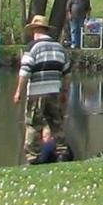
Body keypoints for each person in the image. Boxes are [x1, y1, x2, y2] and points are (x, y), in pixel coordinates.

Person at [12, 14, 71, 156]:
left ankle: (32, 156)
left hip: (36, 93)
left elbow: (25, 71)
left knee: (33, 125)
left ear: (35, 30)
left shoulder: (32, 47)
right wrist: (64, 92)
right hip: (55, 92)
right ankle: (62, 153)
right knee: (57, 124)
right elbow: (67, 73)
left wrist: (18, 91)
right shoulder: (60, 48)